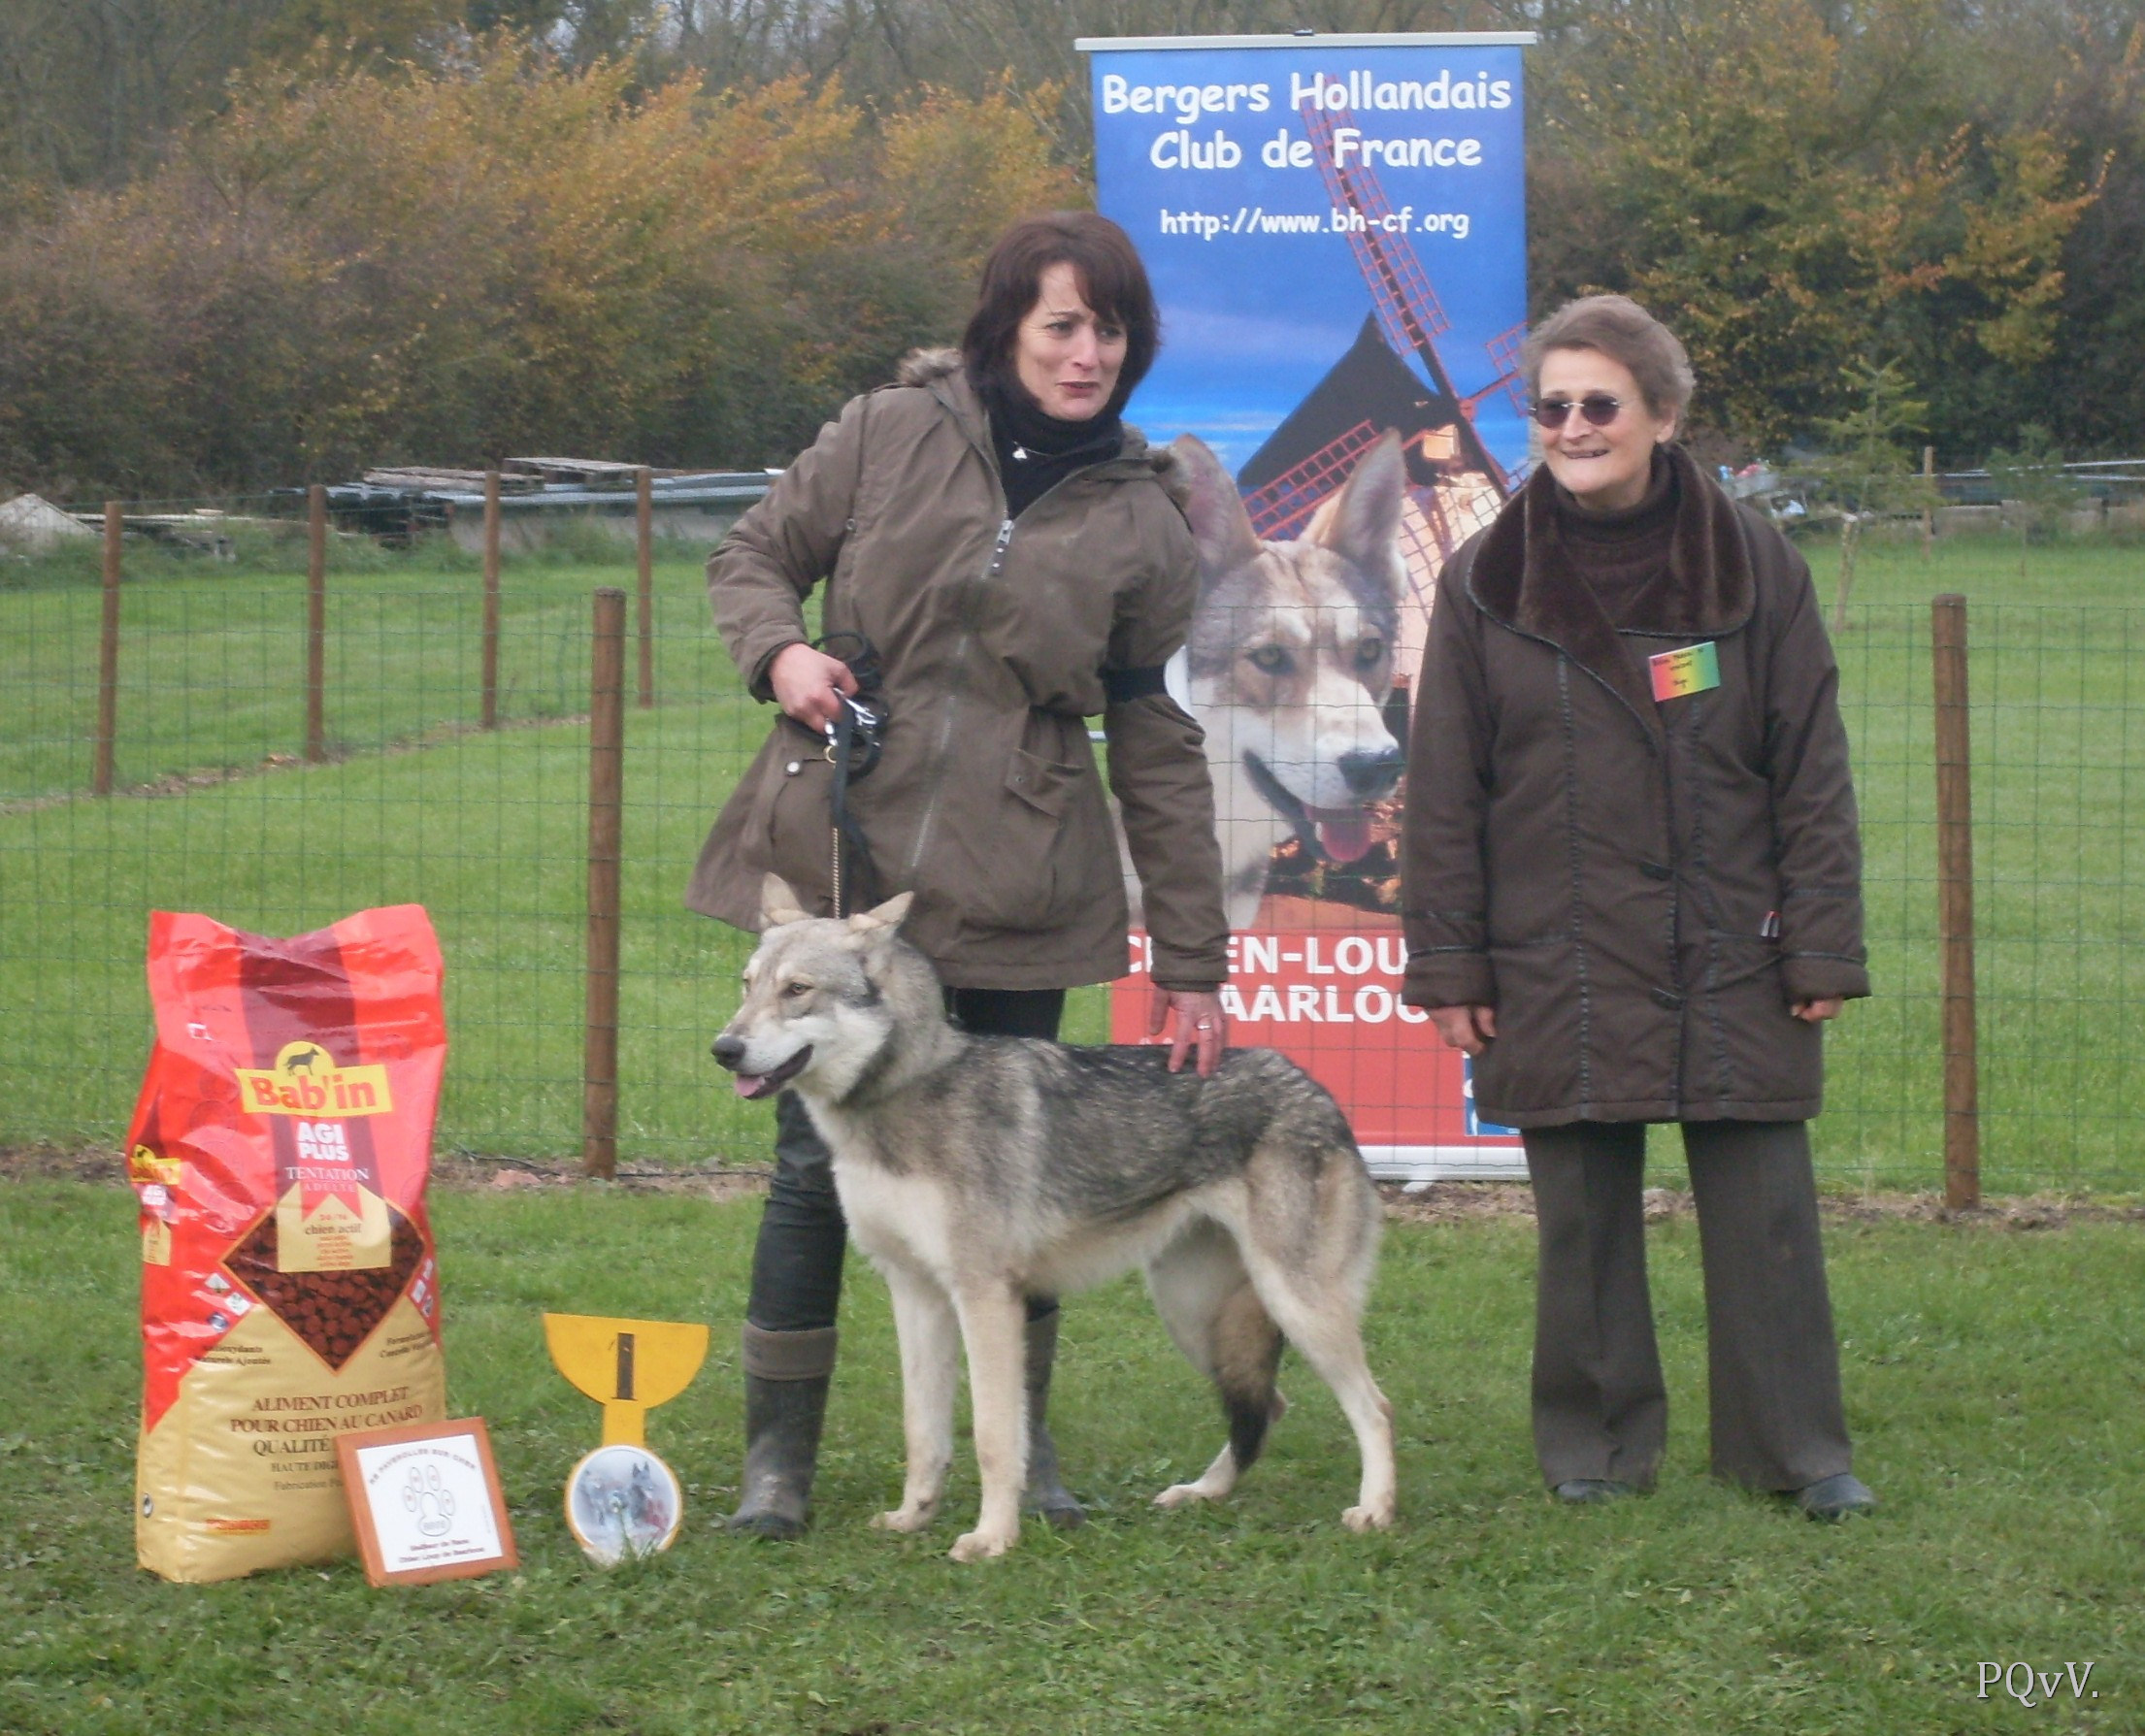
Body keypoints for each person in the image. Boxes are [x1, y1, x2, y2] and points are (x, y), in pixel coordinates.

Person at [687, 212, 1231, 1538]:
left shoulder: (1146, 519)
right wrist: (780, 656)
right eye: (1062, 324)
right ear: (1005, 327)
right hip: (837, 853)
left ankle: (1019, 1459)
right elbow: (752, 555)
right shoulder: (886, 429)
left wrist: (1194, 958)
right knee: (813, 1174)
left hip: (1022, 881)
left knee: (1009, 1184)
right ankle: (780, 1470)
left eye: (1110, 329)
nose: (1087, 351)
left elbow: (1154, 737)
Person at [1400, 294, 1876, 1521]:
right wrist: (1450, 963)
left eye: (1597, 402)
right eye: (1548, 404)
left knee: (1766, 1207)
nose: (1569, 424)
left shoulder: (1754, 563)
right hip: (1551, 941)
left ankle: (1793, 1451)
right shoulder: (1482, 578)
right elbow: (1442, 786)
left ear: (1660, 415)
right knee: (1580, 1219)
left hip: (1735, 935)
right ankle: (1594, 1449)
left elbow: (1808, 766)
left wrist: (1820, 937)